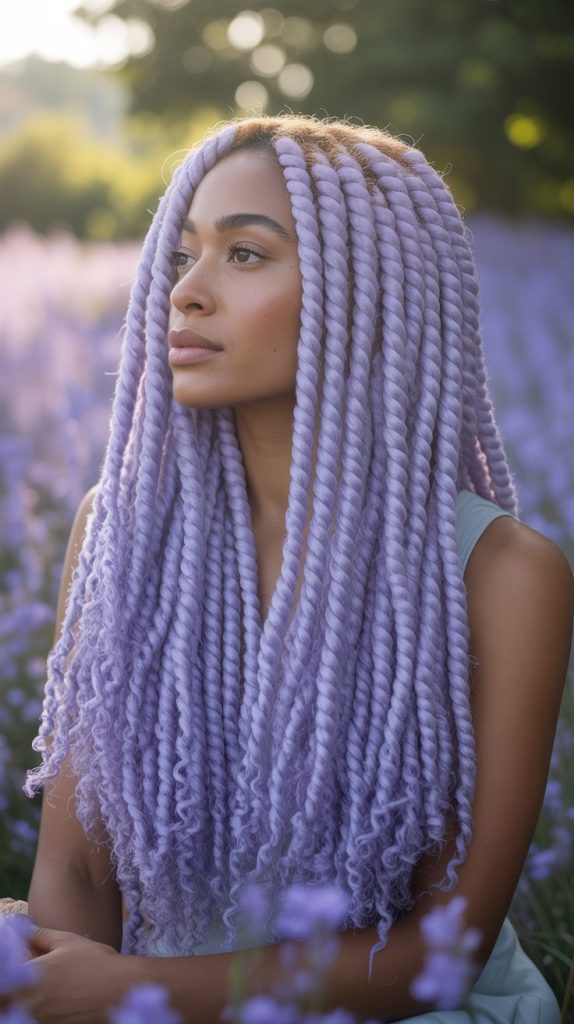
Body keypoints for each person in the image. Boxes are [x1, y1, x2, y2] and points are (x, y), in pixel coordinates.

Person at [2, 112, 573, 1023]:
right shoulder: (115, 530)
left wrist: (133, 991)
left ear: (370, 294)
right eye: (185, 252)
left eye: (246, 255)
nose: (182, 292)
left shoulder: (504, 576)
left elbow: (444, 949)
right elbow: (74, 865)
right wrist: (77, 994)